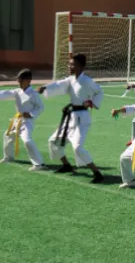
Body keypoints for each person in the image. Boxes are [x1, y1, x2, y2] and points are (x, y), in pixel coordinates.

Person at [39, 54, 105, 183]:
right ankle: (66, 165)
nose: (69, 66)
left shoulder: (87, 81)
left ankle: (97, 173)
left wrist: (91, 102)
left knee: (78, 148)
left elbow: (99, 92)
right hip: (71, 117)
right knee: (53, 141)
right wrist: (45, 88)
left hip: (82, 118)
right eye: (69, 64)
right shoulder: (70, 80)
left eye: (72, 64)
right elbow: (58, 84)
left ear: (81, 66)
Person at [0, 69, 46, 171]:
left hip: (27, 122)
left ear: (28, 80)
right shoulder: (17, 91)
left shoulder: (33, 94)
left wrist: (31, 114)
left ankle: (39, 164)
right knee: (8, 135)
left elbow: (40, 107)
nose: (18, 82)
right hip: (17, 119)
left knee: (27, 140)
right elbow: (7, 93)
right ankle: (9, 156)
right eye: (18, 80)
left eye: (20, 80)